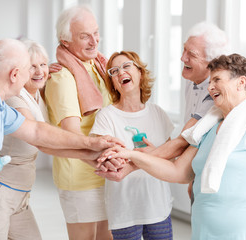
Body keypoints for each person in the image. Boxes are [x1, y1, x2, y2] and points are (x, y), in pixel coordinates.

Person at [0, 38, 121, 240]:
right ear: (15, 74)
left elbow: (36, 131)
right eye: (29, 69)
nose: (34, 74)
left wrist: (92, 144)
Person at [101, 54, 246, 240]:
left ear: (241, 82)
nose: (210, 87)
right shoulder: (207, 127)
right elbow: (178, 171)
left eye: (217, 80)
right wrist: (132, 155)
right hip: (204, 232)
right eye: (210, 81)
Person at [96, 22, 230, 202]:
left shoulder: (214, 94)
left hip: (216, 176)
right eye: (184, 50)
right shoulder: (191, 82)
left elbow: (181, 142)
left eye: (192, 54)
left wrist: (132, 164)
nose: (182, 58)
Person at [0, 39, 50, 240]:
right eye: (32, 66)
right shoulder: (14, 98)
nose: (39, 71)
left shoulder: (38, 95)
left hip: (20, 195)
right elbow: (40, 136)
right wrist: (89, 149)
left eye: (43, 64)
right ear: (19, 71)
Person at [44, 5, 112, 240]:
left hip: (106, 172)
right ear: (65, 40)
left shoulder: (100, 67)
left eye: (96, 32)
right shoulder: (62, 77)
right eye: (84, 36)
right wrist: (103, 161)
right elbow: (71, 135)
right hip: (81, 176)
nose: (94, 41)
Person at [90, 51, 174, 239]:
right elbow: (104, 160)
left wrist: (150, 154)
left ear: (140, 73)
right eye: (114, 71)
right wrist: (152, 156)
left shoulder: (158, 113)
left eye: (126, 66)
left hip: (158, 207)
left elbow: (172, 157)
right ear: (112, 82)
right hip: (124, 210)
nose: (120, 72)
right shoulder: (106, 116)